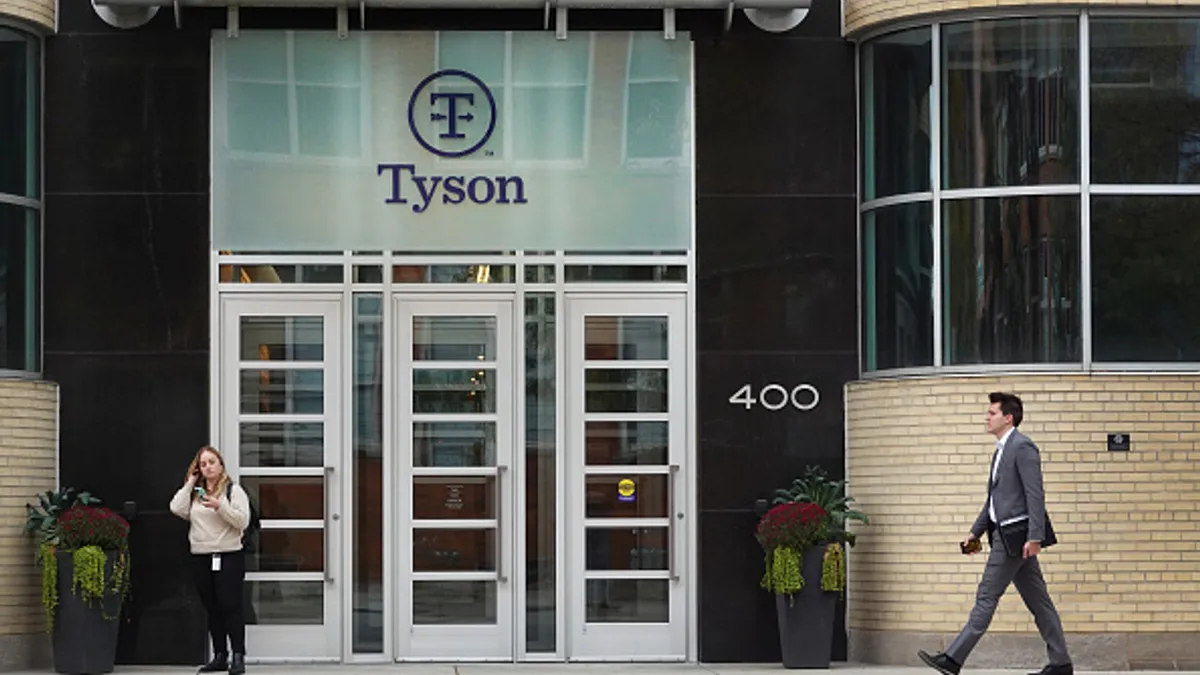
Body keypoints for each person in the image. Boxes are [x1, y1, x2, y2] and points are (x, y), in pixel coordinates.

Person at [919, 392, 1071, 675]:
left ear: (1008, 417)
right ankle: (1061, 664)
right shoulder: (1002, 450)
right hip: (1006, 535)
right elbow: (994, 500)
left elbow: (1035, 495)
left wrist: (1035, 537)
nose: (986, 418)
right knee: (1040, 603)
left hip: (1014, 538)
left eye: (992, 413)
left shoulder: (1023, 447)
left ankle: (953, 659)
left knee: (986, 595)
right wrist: (975, 532)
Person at [170, 446, 252, 675]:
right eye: (203, 464)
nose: (208, 467)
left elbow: (242, 521)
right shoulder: (196, 494)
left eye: (211, 462)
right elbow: (176, 508)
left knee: (230, 606)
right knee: (212, 608)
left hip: (228, 555)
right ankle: (220, 656)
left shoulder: (233, 491)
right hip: (201, 556)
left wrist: (220, 506)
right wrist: (189, 483)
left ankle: (238, 655)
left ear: (221, 464)